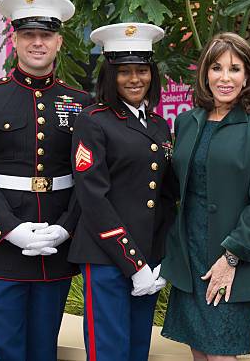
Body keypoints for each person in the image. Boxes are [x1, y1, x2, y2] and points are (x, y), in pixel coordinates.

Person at [0, 0, 92, 360]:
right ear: (14, 39)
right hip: (0, 244)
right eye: (28, 34)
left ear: (59, 42)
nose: (37, 42)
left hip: (55, 244)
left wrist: (67, 227)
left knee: (42, 349)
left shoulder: (81, 103)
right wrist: (11, 229)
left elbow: (89, 178)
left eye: (46, 34)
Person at [160, 32, 250, 360]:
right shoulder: (188, 121)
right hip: (191, 256)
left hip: (233, 256)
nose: (225, 78)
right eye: (216, 68)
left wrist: (231, 258)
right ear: (204, 73)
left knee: (221, 353)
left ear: (248, 76)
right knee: (199, 351)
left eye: (235, 68)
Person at [68, 23, 176, 361]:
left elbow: (163, 196)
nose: (135, 79)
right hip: (107, 256)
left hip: (148, 256)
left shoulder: (158, 125)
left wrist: (158, 258)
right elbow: (93, 197)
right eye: (124, 71)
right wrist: (134, 264)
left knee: (137, 349)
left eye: (142, 70)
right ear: (109, 76)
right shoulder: (93, 120)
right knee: (109, 350)